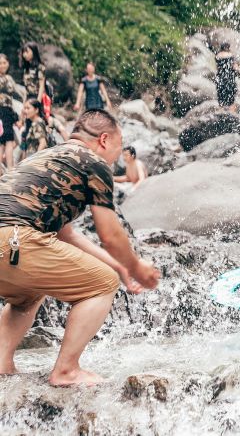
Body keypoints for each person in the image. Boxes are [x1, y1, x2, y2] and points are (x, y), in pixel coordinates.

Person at [0, 109, 161, 385]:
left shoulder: (48, 157)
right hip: (15, 240)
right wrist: (136, 266)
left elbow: (68, 236)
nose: (115, 159)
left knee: (30, 294)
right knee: (102, 282)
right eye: (117, 149)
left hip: (11, 243)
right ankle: (66, 370)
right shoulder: (93, 162)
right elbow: (109, 234)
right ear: (104, 139)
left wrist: (120, 266)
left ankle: (2, 362)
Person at [0, 54, 23, 171]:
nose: (3, 65)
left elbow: (18, 92)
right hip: (2, 111)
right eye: (0, 63)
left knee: (4, 140)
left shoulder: (9, 78)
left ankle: (7, 168)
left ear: (8, 63)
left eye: (4, 62)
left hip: (9, 111)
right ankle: (10, 168)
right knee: (7, 140)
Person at [215, 43, 240, 113]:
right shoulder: (230, 55)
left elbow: (217, 68)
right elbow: (234, 66)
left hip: (220, 79)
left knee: (221, 97)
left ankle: (220, 113)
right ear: (228, 48)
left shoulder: (218, 56)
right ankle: (232, 114)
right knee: (231, 98)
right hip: (229, 78)